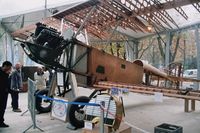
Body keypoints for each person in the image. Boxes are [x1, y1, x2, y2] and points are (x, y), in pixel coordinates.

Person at [0, 61, 12, 128]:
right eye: (9, 67)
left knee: (2, 109)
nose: (9, 69)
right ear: (5, 66)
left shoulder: (5, 73)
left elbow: (6, 84)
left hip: (4, 94)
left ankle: (1, 122)